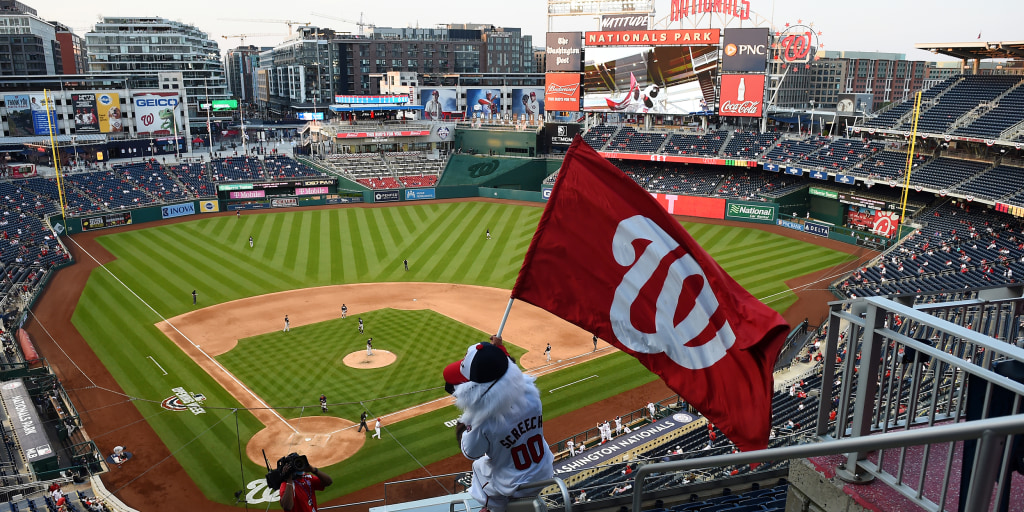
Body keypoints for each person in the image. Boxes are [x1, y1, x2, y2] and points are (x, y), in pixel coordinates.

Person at [444, 335, 553, 512]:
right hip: (544, 470)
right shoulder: (530, 393)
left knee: (479, 468)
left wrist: (468, 419)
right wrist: (499, 352)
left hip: (515, 484)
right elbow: (510, 373)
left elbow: (470, 452)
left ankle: (494, 509)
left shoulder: (484, 421)